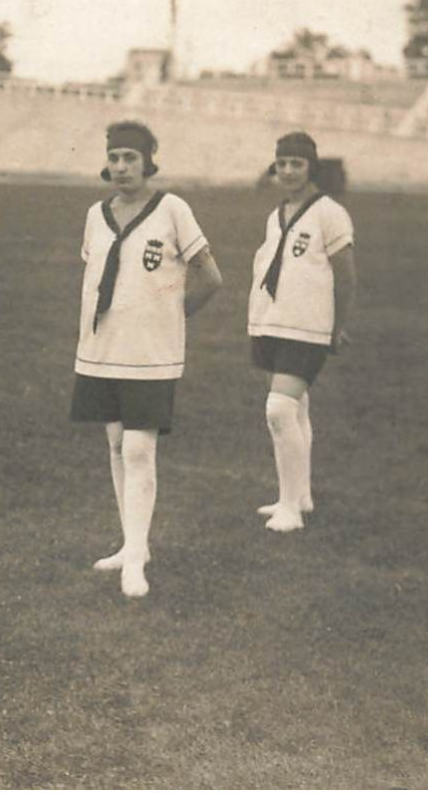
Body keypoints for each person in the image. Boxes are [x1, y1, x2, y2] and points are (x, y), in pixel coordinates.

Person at [70, 121, 222, 598]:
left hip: (150, 355)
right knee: (116, 443)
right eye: (113, 157)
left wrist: (173, 320)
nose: (120, 167)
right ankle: (131, 542)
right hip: (102, 351)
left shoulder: (172, 209)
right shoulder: (96, 214)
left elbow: (210, 276)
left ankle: (135, 559)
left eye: (129, 158)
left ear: (148, 160)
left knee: (139, 448)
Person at [246, 131, 356, 532]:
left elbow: (346, 276)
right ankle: (299, 495)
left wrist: (337, 327)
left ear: (312, 168)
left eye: (296, 164)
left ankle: (289, 510)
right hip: (274, 321)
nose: (288, 171)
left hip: (308, 327)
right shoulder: (275, 215)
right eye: (282, 164)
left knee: (278, 410)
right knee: (298, 407)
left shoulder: (329, 213)